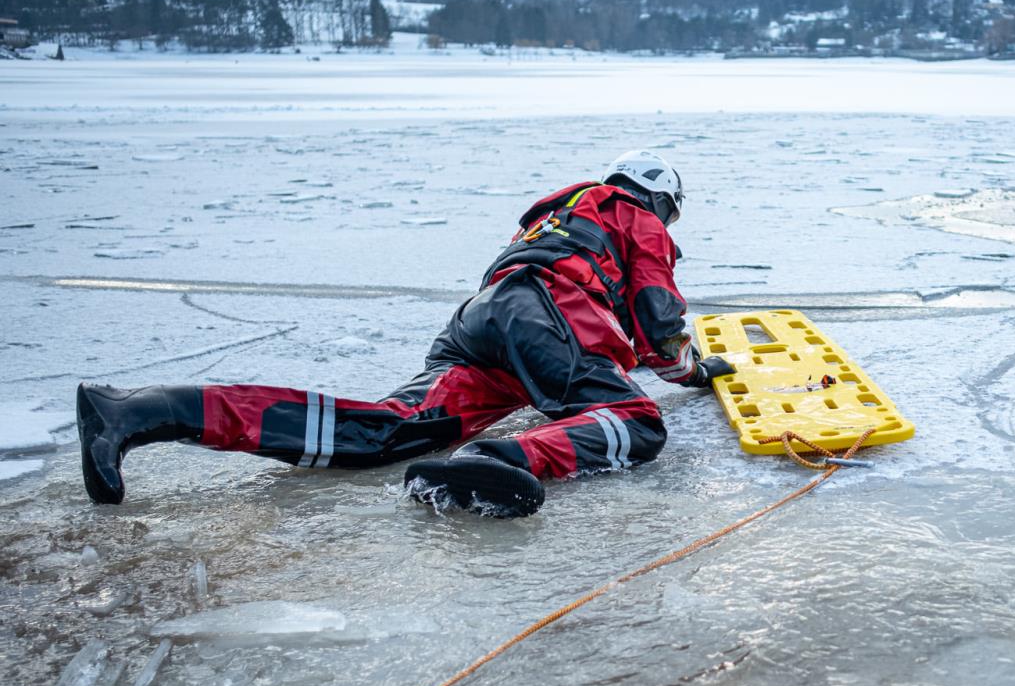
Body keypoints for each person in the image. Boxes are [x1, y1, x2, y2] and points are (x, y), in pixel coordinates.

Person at [76, 151, 735, 518]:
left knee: (388, 431)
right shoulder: (632, 212)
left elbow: (594, 329)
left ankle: (143, 411)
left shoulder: (554, 216)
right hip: (550, 308)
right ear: (662, 201)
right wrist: (693, 371)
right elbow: (657, 316)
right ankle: (504, 461)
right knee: (636, 423)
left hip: (486, 321)